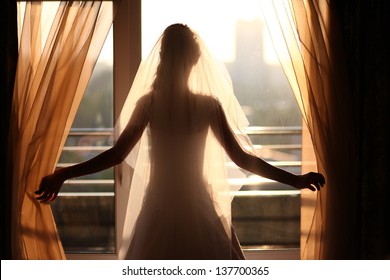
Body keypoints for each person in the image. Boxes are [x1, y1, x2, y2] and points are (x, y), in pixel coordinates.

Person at [36, 23, 325, 259]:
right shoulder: (208, 106)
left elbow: (116, 154)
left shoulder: (149, 104)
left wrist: (65, 173)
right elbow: (243, 159)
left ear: (161, 57)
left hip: (158, 209)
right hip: (198, 206)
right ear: (195, 60)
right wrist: (294, 180)